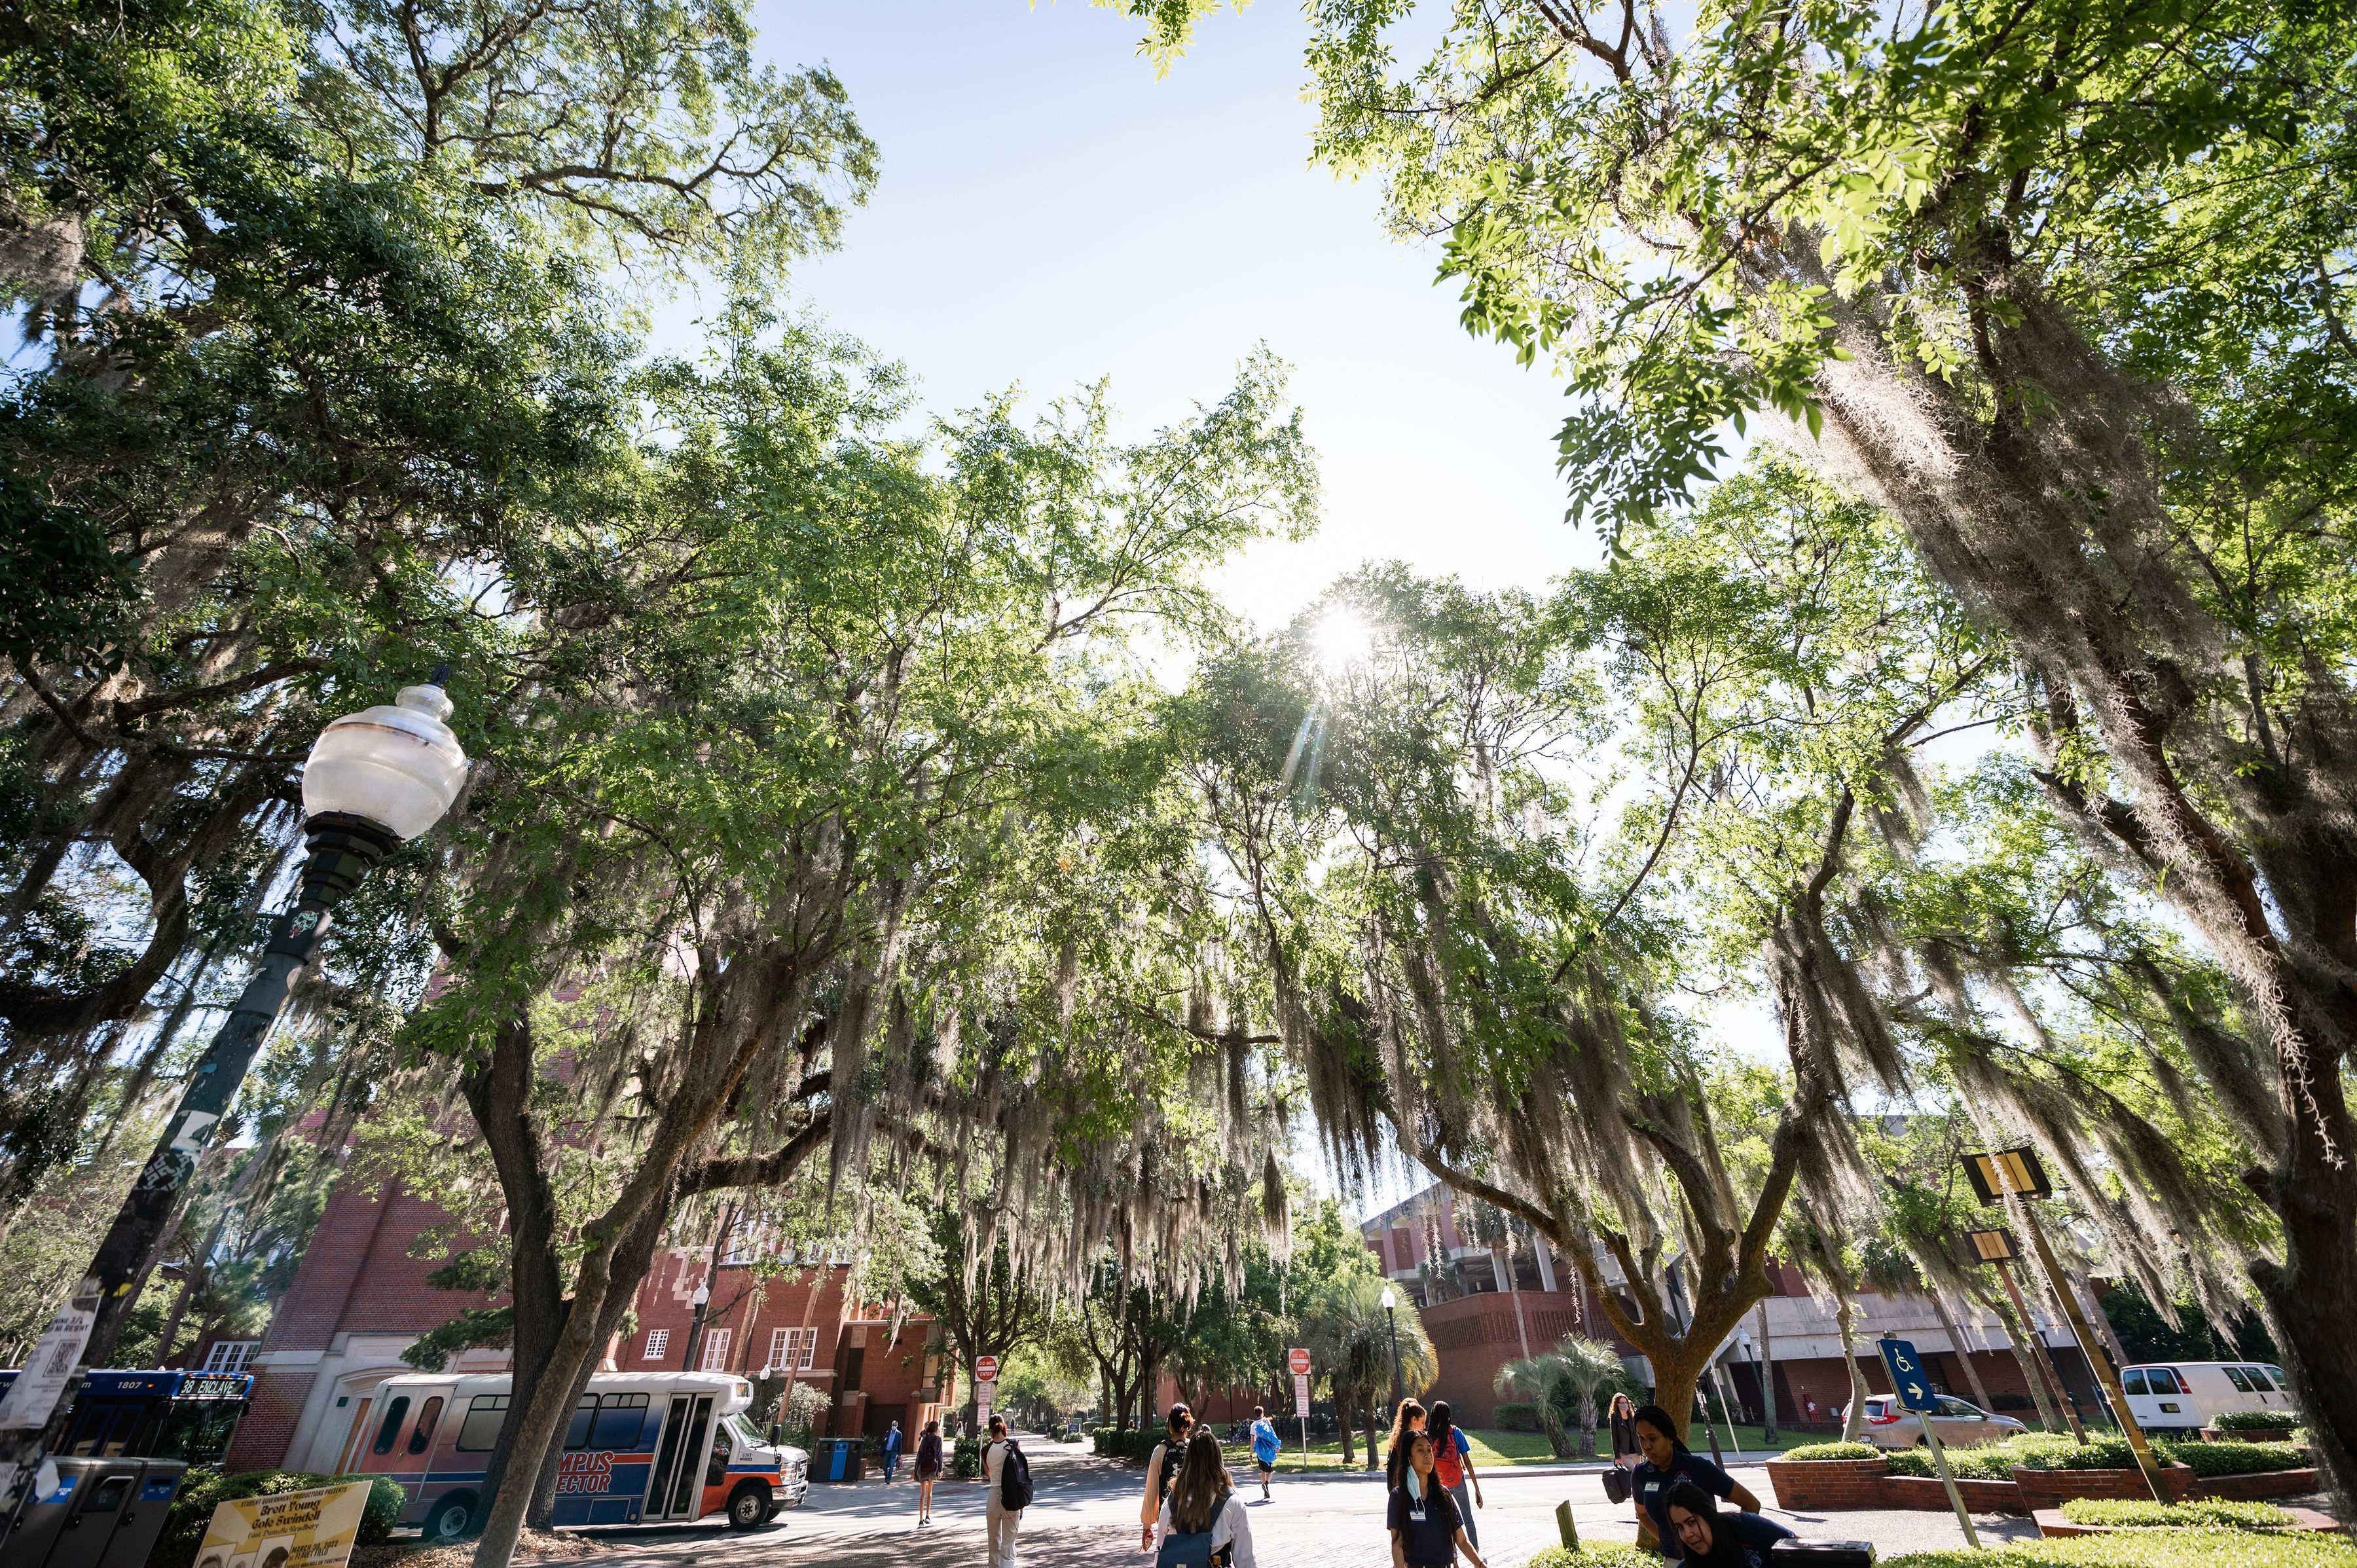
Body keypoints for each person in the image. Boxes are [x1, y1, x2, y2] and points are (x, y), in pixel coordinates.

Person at [1628, 1402, 1763, 1556]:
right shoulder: (1641, 1474)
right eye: (1641, 1438)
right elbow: (1642, 1514)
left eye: (1652, 1439)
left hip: (1710, 1560)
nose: (1646, 1446)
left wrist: (1737, 1546)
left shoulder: (1698, 1467)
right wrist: (1668, 1541)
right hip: (1672, 1561)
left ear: (1670, 1437)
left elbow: (1751, 1504)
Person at [1155, 1429, 1258, 1566]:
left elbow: (1160, 1555)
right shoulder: (1232, 1502)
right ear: (1218, 1458)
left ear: (1188, 1459)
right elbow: (1245, 1560)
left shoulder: (1171, 1501)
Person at [1388, 1429, 1490, 1568]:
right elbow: (1397, 1543)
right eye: (1420, 1450)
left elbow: (1462, 1541)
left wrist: (1480, 1565)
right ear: (1409, 1457)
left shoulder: (1443, 1495)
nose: (1427, 1455)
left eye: (1429, 1450)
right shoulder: (1399, 1497)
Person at [1663, 1482, 1793, 1567]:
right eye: (1679, 1527)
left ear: (1708, 1515)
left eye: (1691, 1522)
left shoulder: (1746, 1525)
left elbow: (1803, 1549)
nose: (1688, 1534)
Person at [1427, 1400, 1482, 1547]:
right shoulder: (1456, 1433)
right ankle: (1475, 1551)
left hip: (1438, 1484)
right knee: (1467, 1518)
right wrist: (1477, 1488)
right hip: (1457, 1480)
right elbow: (1467, 1461)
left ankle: (1452, 1555)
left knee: (1444, 1520)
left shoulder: (1429, 1436)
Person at [1141, 1402, 1196, 1552]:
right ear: (1188, 1425)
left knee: (1167, 1557)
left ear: (1169, 1424)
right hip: (1196, 1514)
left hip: (1167, 1516)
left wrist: (1147, 1526)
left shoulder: (1160, 1450)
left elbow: (1152, 1489)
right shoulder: (1195, 1449)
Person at [983, 1413, 1024, 1567]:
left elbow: (989, 1475)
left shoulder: (985, 1450)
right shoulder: (1014, 1445)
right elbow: (1020, 1474)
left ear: (990, 1429)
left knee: (993, 1540)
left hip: (993, 1497)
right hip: (1011, 1497)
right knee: (1009, 1541)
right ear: (1004, 1426)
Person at [1383, 1398, 1427, 1491]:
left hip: (1396, 1486)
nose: (1424, 1426)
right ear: (1414, 1419)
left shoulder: (1399, 1435)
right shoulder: (1411, 1438)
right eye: (1423, 1422)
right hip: (1405, 1487)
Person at [912, 1418, 943, 1526]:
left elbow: (919, 1455)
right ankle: (928, 1516)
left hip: (923, 1467)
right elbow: (939, 1455)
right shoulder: (938, 1440)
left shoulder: (924, 1440)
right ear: (936, 1429)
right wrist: (940, 1470)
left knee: (922, 1494)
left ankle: (920, 1520)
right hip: (933, 1468)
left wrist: (915, 1470)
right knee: (929, 1493)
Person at [1247, 1406, 1281, 1500]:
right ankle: (1266, 1484)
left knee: (1262, 1471)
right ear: (1262, 1413)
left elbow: (1252, 1441)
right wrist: (1277, 1446)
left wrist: (1250, 1454)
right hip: (1268, 1449)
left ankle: (1266, 1492)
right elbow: (1273, 1434)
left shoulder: (1253, 1425)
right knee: (1270, 1471)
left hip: (1259, 1450)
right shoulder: (1266, 1421)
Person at [1610, 1393, 1641, 1470]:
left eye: (1626, 1402)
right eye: (1622, 1403)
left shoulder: (1632, 1415)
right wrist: (1617, 1456)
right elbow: (1614, 1437)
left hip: (1636, 1451)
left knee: (1637, 1474)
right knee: (1633, 1471)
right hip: (1624, 1452)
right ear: (1617, 1404)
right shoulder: (1615, 1417)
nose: (1625, 1405)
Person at [881, 1418, 903, 1484]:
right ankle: (886, 1474)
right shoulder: (888, 1432)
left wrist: (899, 1454)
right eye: (893, 1425)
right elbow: (883, 1440)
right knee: (885, 1466)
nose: (894, 1426)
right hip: (887, 1451)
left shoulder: (899, 1434)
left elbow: (900, 1444)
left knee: (891, 1466)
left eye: (895, 1425)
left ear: (897, 1426)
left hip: (894, 1452)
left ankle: (888, 1479)